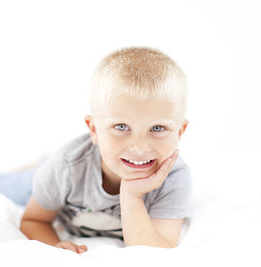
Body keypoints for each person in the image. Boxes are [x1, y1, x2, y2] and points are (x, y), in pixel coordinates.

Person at [19, 47, 193, 254]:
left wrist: (131, 194)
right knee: (19, 185)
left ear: (180, 132)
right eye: (121, 127)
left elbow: (152, 252)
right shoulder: (66, 166)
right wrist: (55, 247)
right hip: (50, 172)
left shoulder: (174, 177)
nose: (139, 147)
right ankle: (34, 165)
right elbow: (33, 219)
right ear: (94, 129)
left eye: (157, 128)